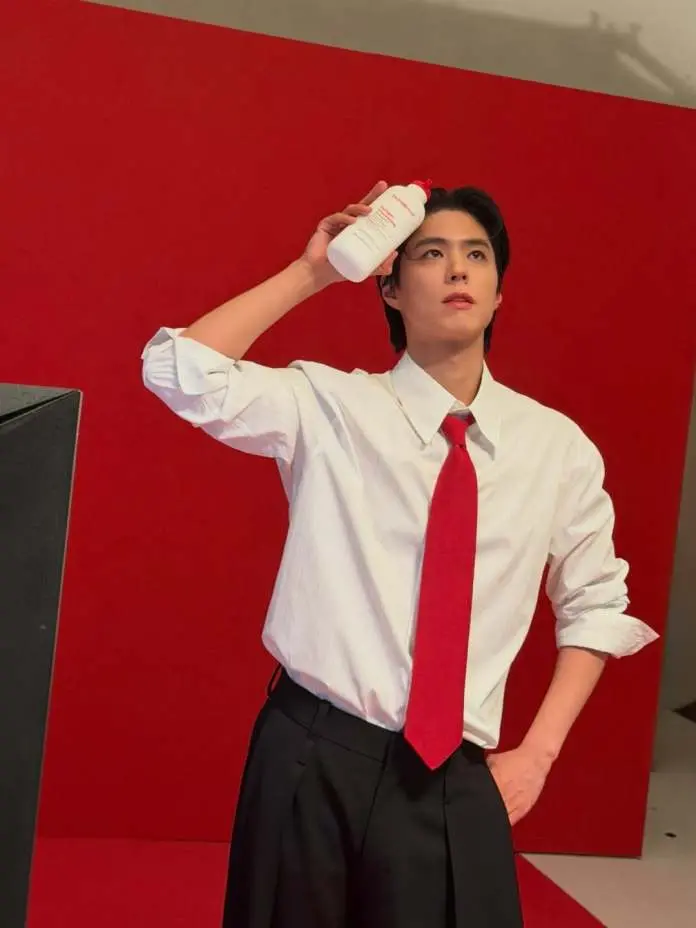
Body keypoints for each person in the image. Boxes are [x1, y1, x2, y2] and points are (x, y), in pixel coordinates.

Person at [141, 181, 658, 928]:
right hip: (310, 754)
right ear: (388, 285)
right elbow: (177, 370)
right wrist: (313, 271)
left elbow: (597, 604)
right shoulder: (330, 406)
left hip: (452, 774)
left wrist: (539, 753)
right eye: (431, 254)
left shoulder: (556, 447)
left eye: (476, 255)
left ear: (499, 292)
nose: (457, 270)